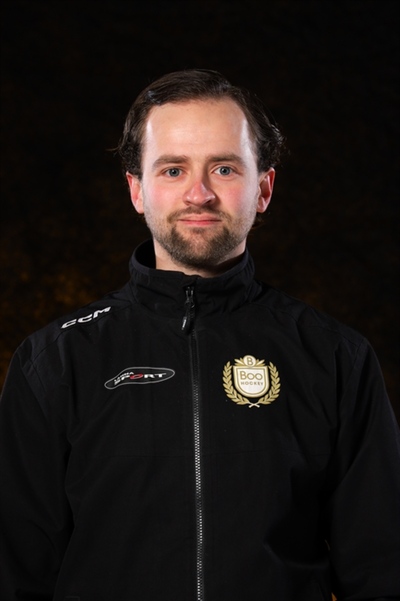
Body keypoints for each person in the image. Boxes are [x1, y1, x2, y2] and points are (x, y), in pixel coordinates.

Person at [0, 69, 399, 601]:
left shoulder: (336, 357)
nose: (199, 194)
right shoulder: (53, 362)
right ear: (137, 190)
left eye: (224, 168)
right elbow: (16, 573)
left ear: (264, 189)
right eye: (173, 170)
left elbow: (382, 570)